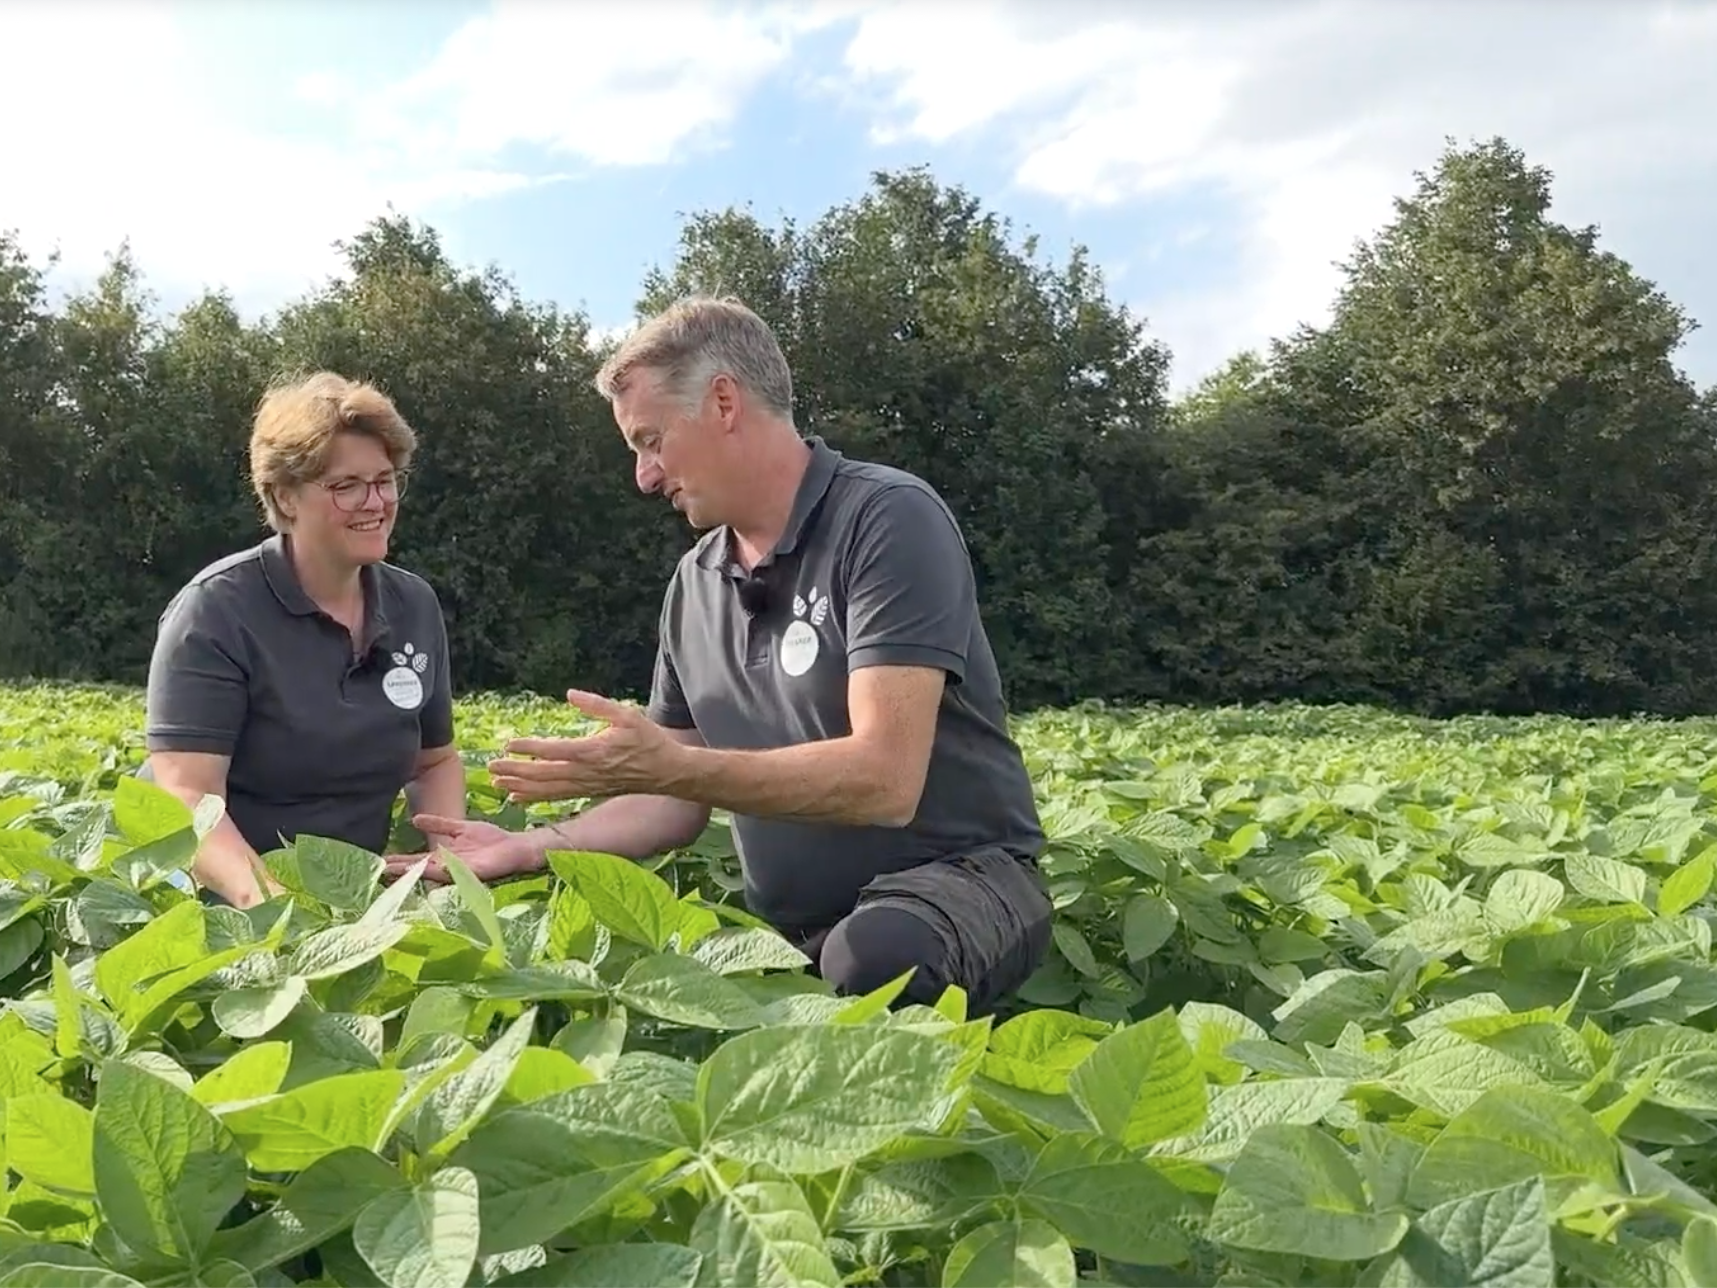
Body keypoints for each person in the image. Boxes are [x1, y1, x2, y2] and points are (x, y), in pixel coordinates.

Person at [384, 297, 1052, 1016]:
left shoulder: (884, 518)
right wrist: (532, 845)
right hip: (793, 930)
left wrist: (677, 768)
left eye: (651, 440)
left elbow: (883, 779)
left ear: (723, 402)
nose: (644, 475)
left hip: (963, 882)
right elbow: (671, 800)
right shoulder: (696, 581)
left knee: (880, 956)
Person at [142, 371, 466, 908]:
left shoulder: (414, 606)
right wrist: (273, 907)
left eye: (385, 479)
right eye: (345, 486)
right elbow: (186, 795)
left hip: (353, 896)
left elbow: (434, 762)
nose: (375, 501)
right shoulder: (217, 610)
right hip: (220, 897)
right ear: (285, 497)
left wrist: (449, 859)